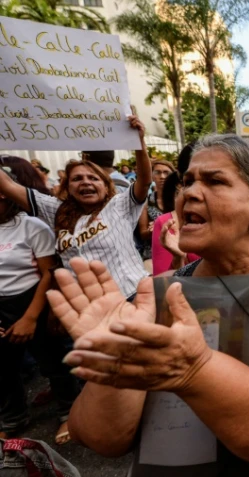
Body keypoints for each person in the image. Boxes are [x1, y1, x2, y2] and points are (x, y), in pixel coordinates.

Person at [46, 134, 249, 475]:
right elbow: (100, 439)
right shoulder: (157, 292)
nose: (189, 192)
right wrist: (116, 363)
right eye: (187, 181)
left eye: (214, 181)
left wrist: (195, 370)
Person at [0, 117, 151, 300]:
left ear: (106, 186)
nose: (85, 182)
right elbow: (7, 185)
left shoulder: (120, 205)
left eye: (93, 178)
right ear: (67, 187)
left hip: (131, 296)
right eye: (77, 179)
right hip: (87, 307)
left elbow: (144, 181)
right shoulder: (55, 210)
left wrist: (139, 143)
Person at [0, 157, 80, 445]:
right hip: (1, 307)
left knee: (54, 364)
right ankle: (13, 419)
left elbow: (50, 272)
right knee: (4, 368)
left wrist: (30, 317)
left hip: (33, 300)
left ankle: (68, 412)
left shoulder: (32, 226)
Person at [151, 143, 201, 275]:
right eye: (191, 182)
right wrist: (178, 259)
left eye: (216, 181)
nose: (199, 192)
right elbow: (165, 287)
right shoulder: (167, 225)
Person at [138, 160, 176, 264]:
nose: (162, 176)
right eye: (157, 172)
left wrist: (161, 225)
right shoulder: (146, 201)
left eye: (166, 172)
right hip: (153, 252)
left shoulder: (180, 200)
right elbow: (143, 234)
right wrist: (153, 230)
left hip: (178, 248)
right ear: (152, 176)